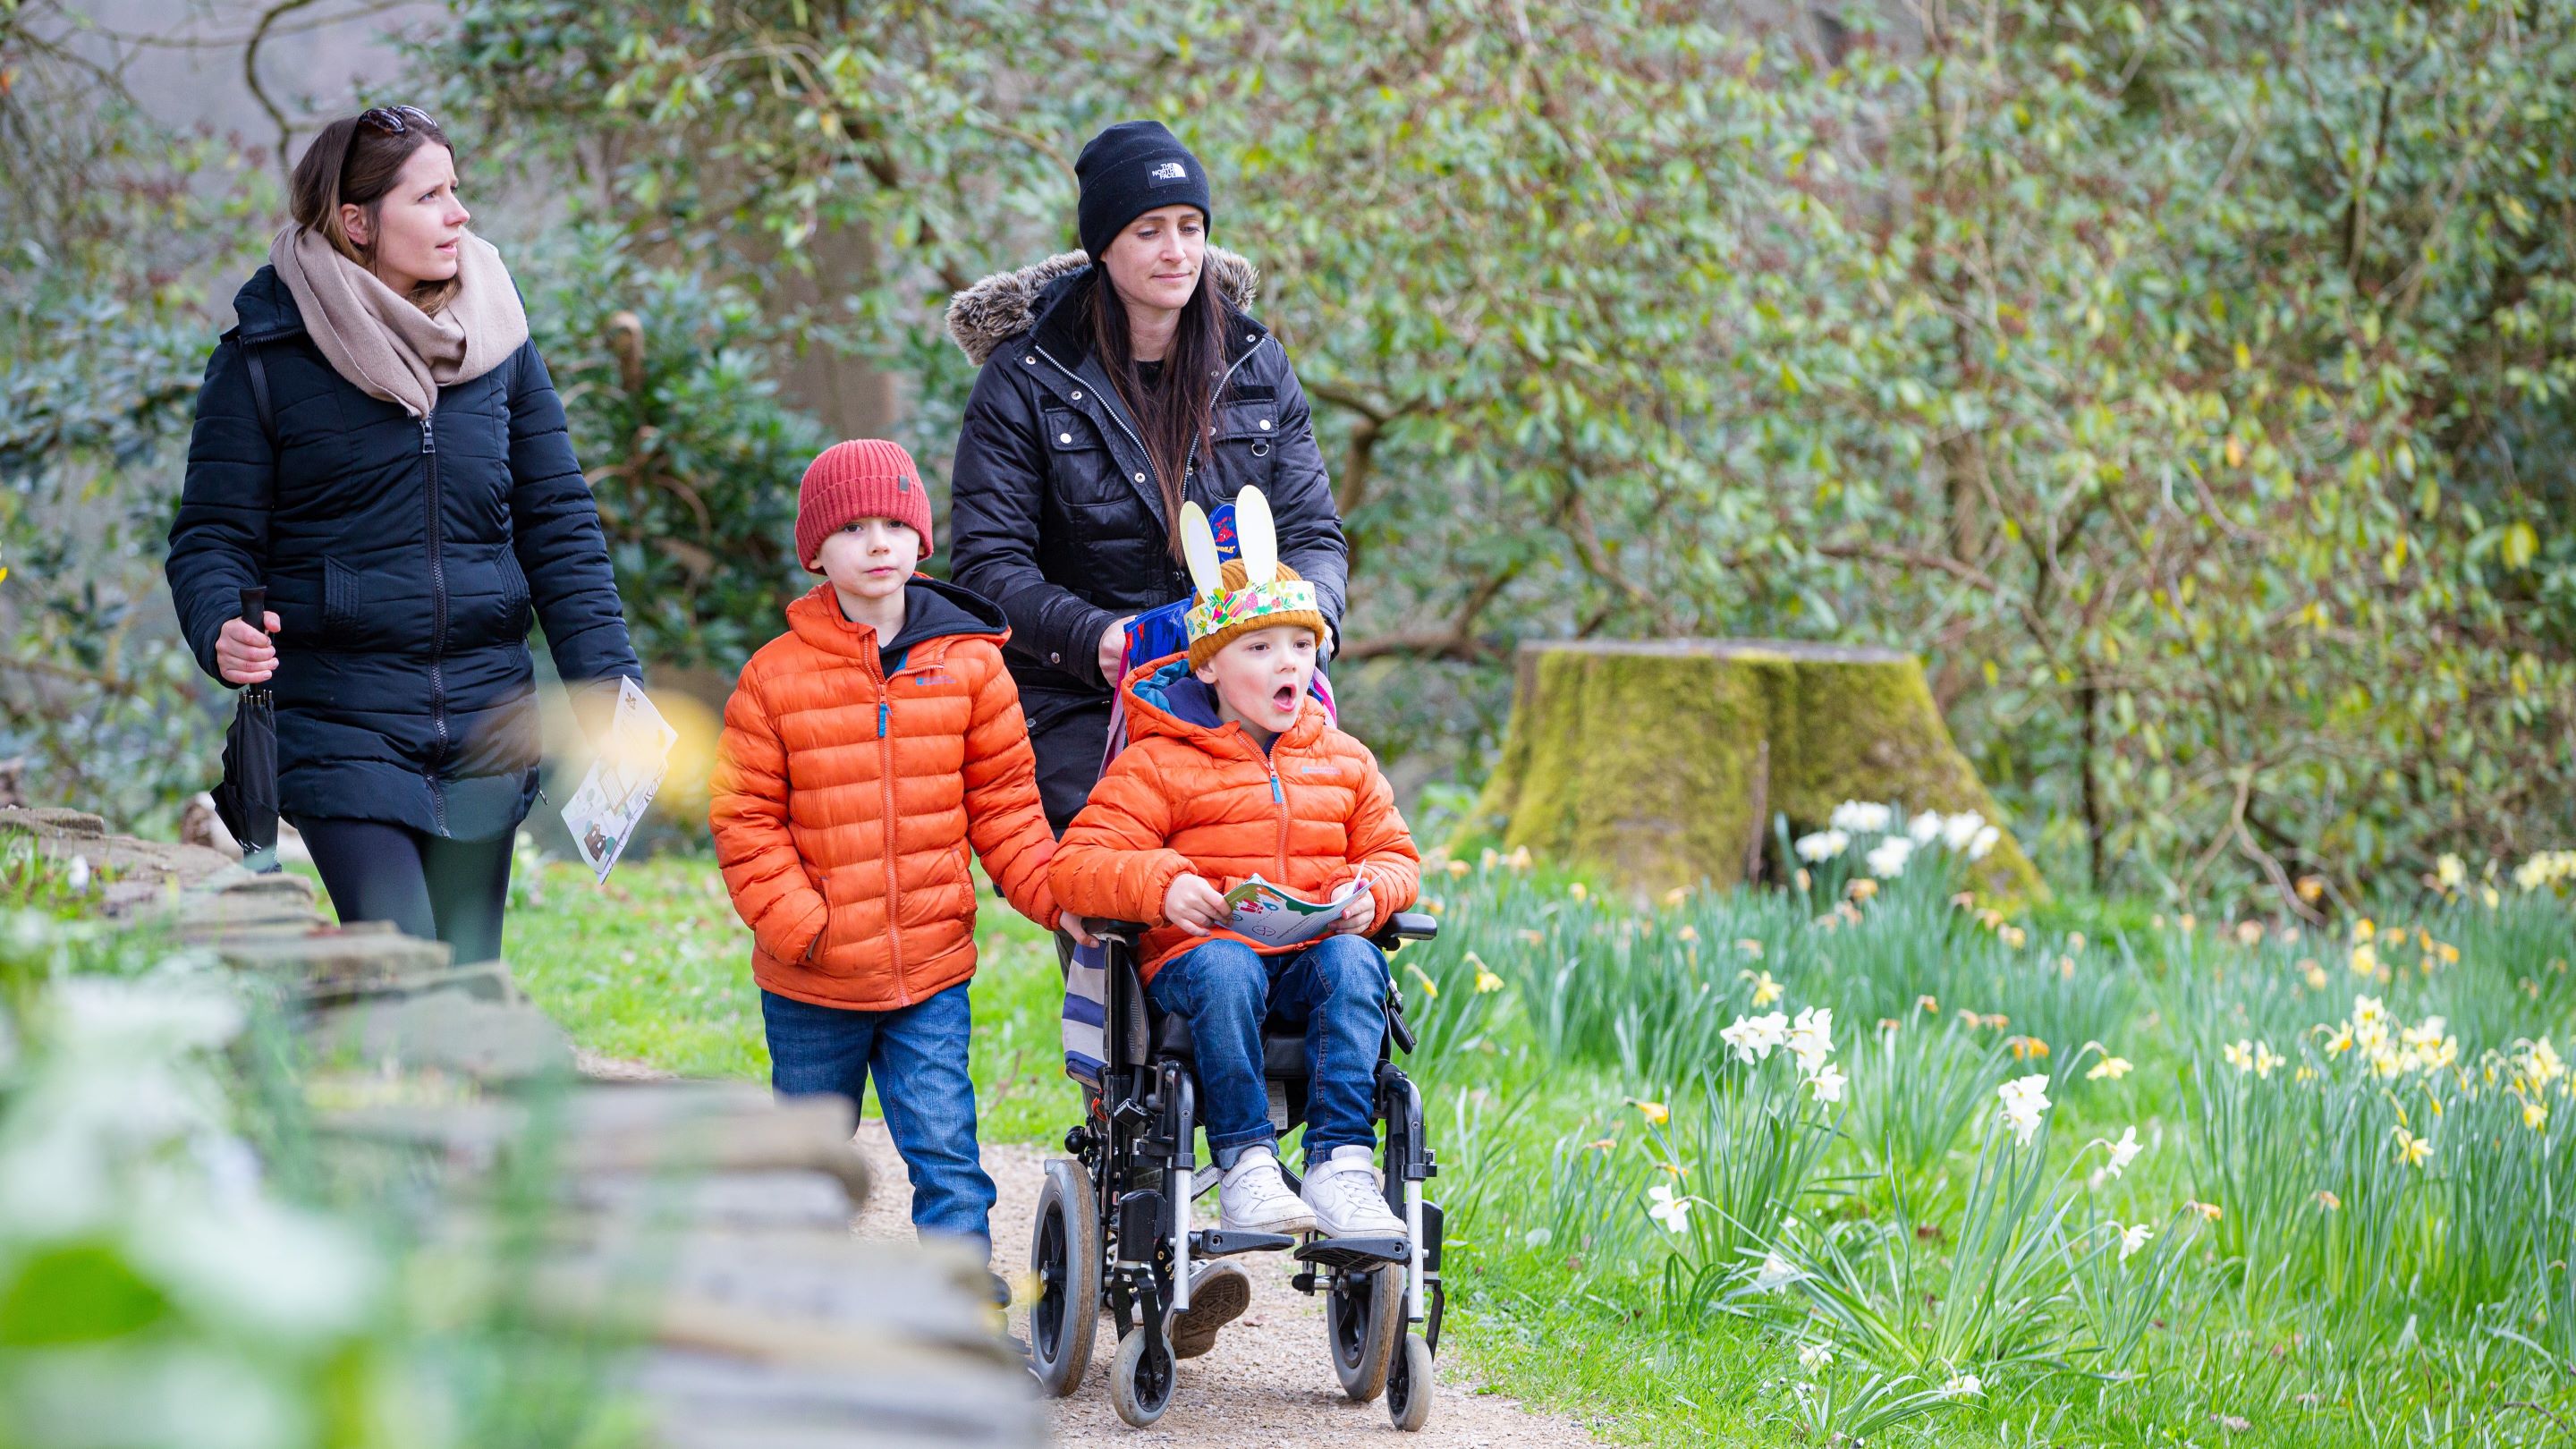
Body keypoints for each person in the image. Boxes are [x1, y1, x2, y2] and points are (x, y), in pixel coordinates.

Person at [166, 106, 639, 964]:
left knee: (465, 980)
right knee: (402, 969)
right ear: (357, 223)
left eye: (456, 190)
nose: (458, 212)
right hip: (342, 720)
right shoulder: (263, 359)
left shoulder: (501, 347)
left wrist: (609, 691)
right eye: (429, 196)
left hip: (489, 720)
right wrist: (217, 628)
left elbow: (560, 529)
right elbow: (210, 537)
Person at [1050, 489, 1419, 1351]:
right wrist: (1161, 883)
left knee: (1358, 961)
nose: (1287, 661)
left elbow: (1399, 855)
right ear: (1211, 667)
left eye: (1301, 643)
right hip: (1199, 966)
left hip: (1304, 962)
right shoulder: (1159, 762)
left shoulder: (1345, 762)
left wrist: (1375, 893)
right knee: (1224, 963)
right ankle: (1250, 1161)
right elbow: (1076, 866)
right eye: (1260, 647)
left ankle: (1339, 1164)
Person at [708, 439, 1092, 1267]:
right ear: (816, 551)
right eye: (852, 527)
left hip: (928, 971)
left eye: (893, 523)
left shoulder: (974, 668)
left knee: (947, 1156)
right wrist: (801, 924)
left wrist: (1059, 900)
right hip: (812, 976)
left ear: (923, 540)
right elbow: (744, 818)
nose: (877, 542)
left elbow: (1007, 808)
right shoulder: (774, 678)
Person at [946, 119, 1350, 834]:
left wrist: (1308, 627)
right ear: (1103, 246)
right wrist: (1093, 637)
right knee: (1121, 881)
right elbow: (988, 564)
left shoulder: (1256, 362)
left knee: (1304, 857)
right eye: (1149, 231)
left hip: (1242, 687)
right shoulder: (1025, 375)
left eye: (1191, 227)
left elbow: (1313, 530)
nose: (1177, 251)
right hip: (1077, 698)